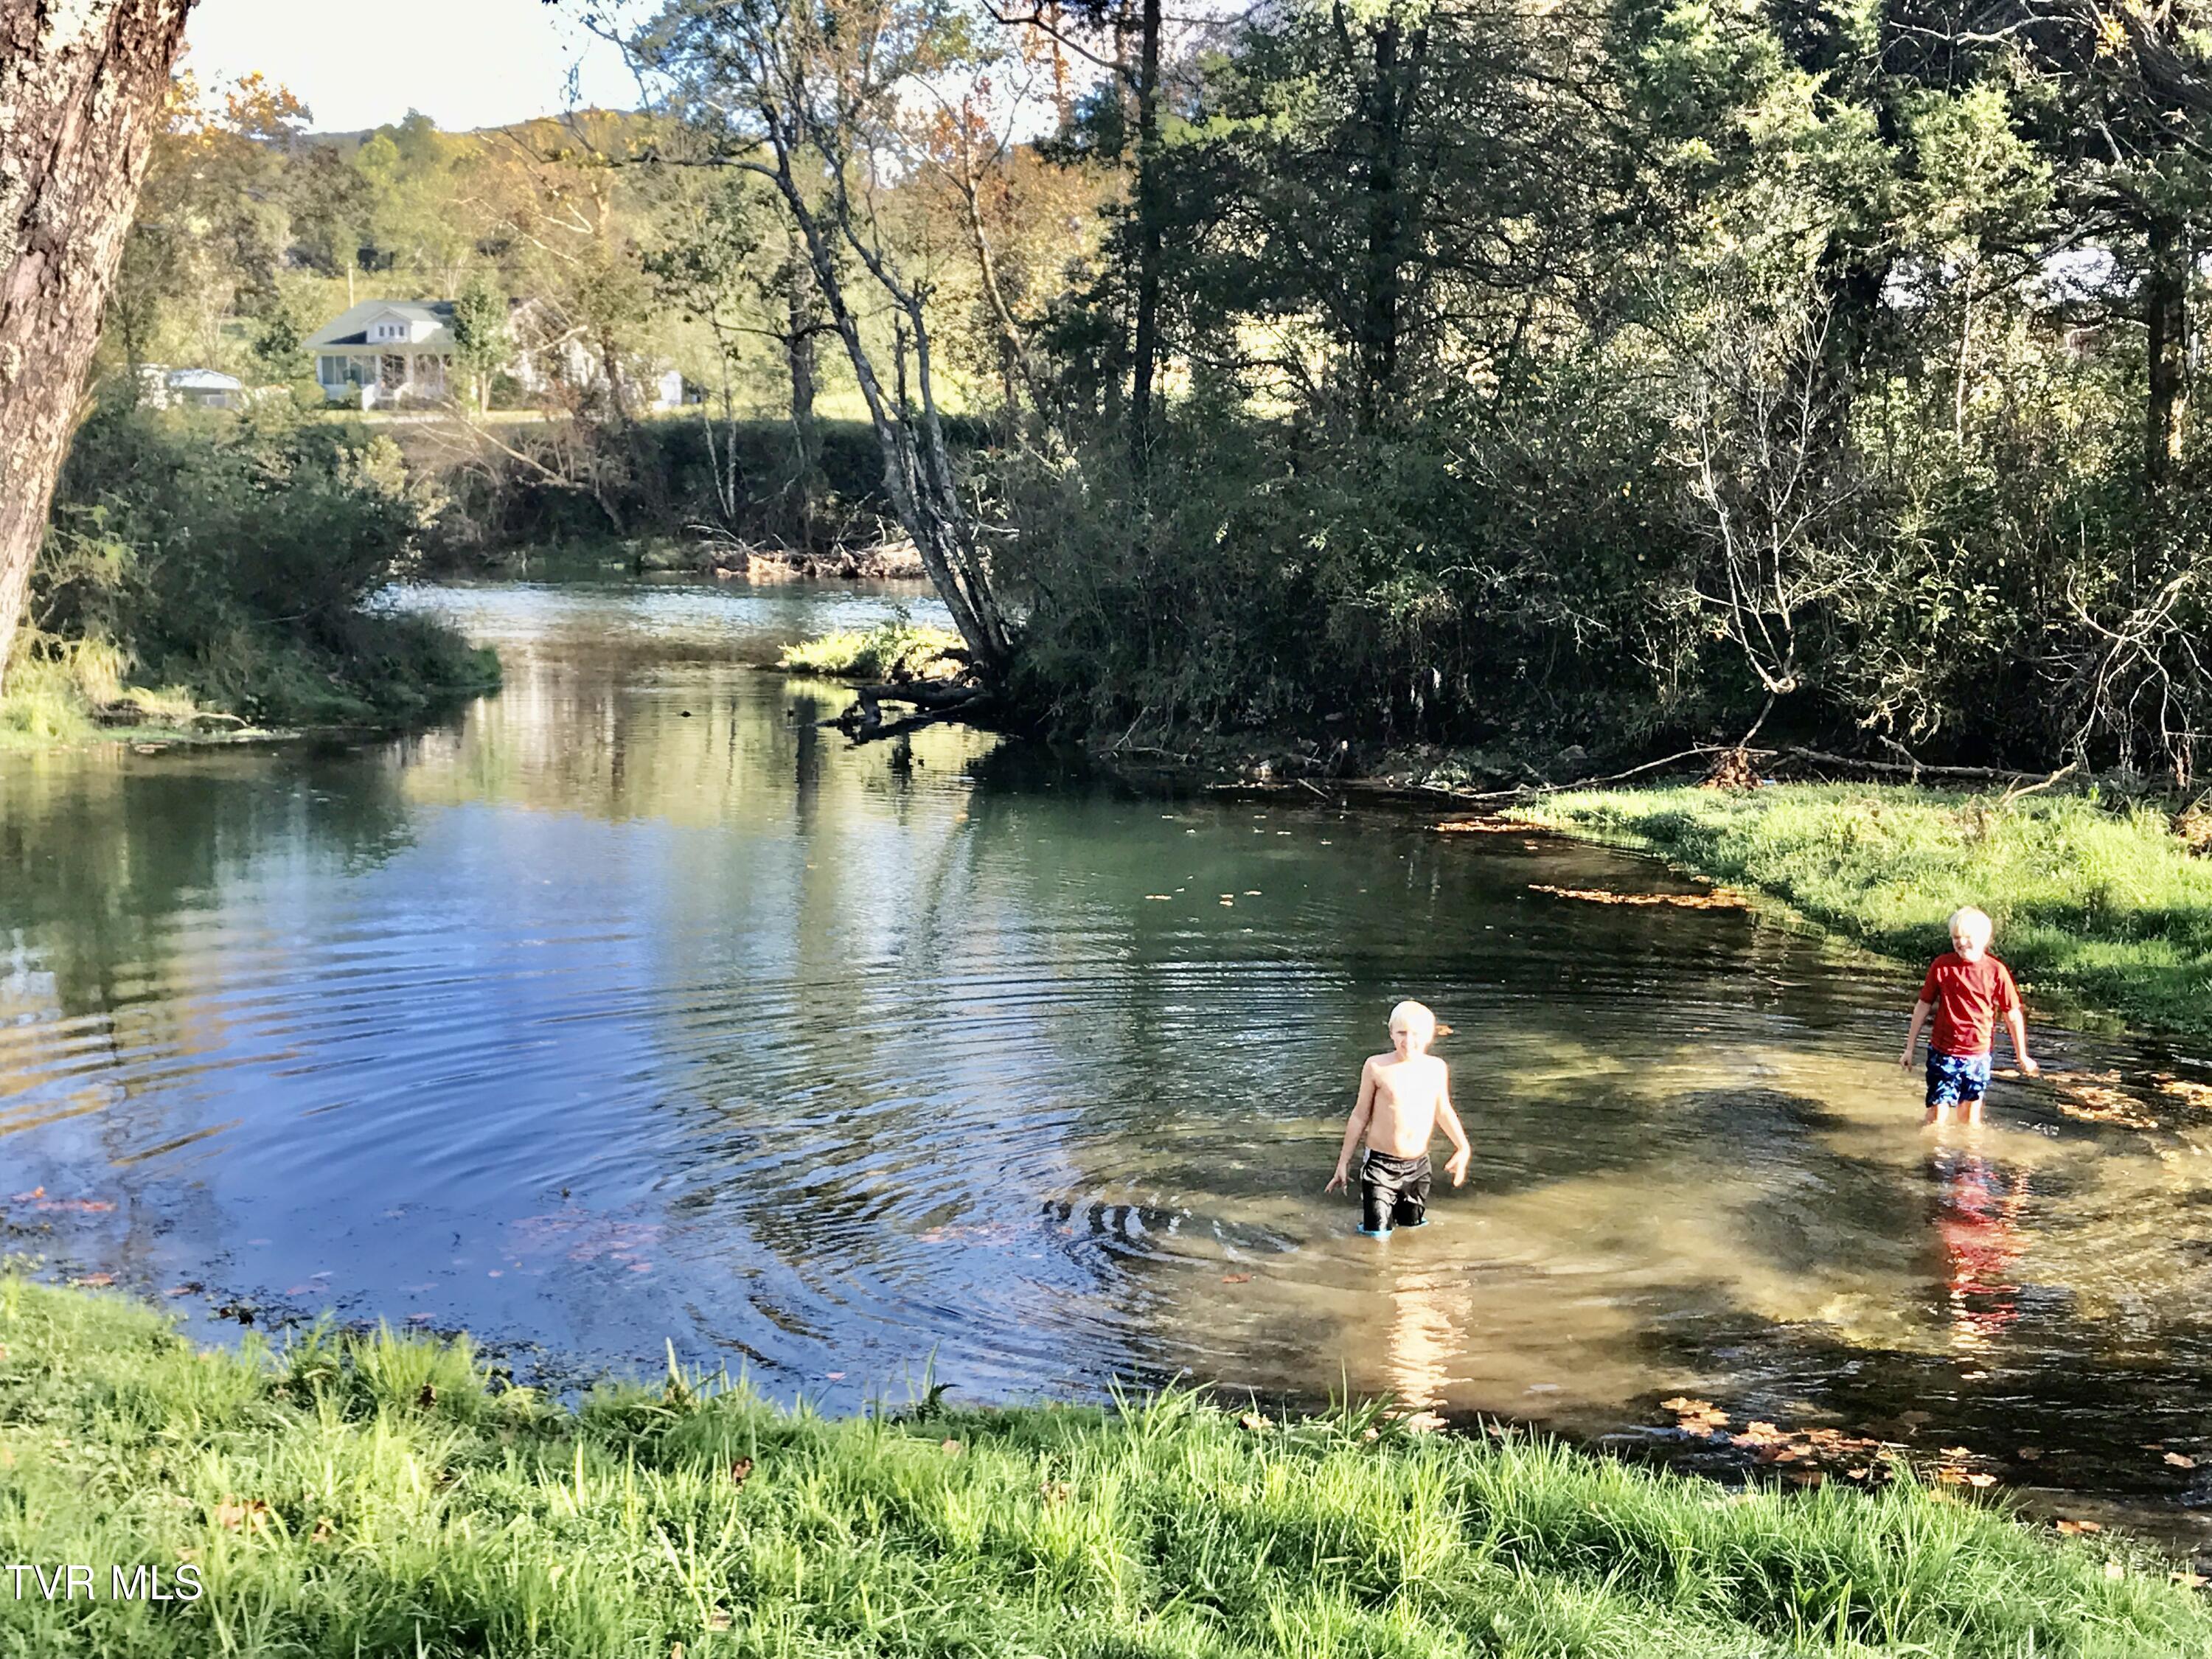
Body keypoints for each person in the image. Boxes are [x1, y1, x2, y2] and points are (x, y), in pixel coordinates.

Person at [1325, 1001, 1472, 1235]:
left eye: (1416, 1034)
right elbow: (1360, 1116)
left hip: (1418, 1166)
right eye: (1402, 1033)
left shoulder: (1436, 1068)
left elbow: (1443, 1111)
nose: (1409, 1040)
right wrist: (1343, 1162)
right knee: (1377, 1235)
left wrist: (1463, 1148)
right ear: (1391, 1033)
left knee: (1411, 1230)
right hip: (1380, 1166)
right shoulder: (1376, 1066)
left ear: (1429, 1036)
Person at [1899, 906, 2038, 1125]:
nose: (1961, 943)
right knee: (1937, 1117)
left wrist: (2022, 1055)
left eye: (1967, 937)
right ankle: (1931, 1146)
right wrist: (1909, 1048)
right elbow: (1923, 1006)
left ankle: (1969, 1148)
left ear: (1984, 939)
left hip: (1977, 1056)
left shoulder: (1996, 971)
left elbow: (2012, 1014)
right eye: (1956, 938)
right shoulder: (1942, 966)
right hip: (1943, 1053)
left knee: (1970, 1120)